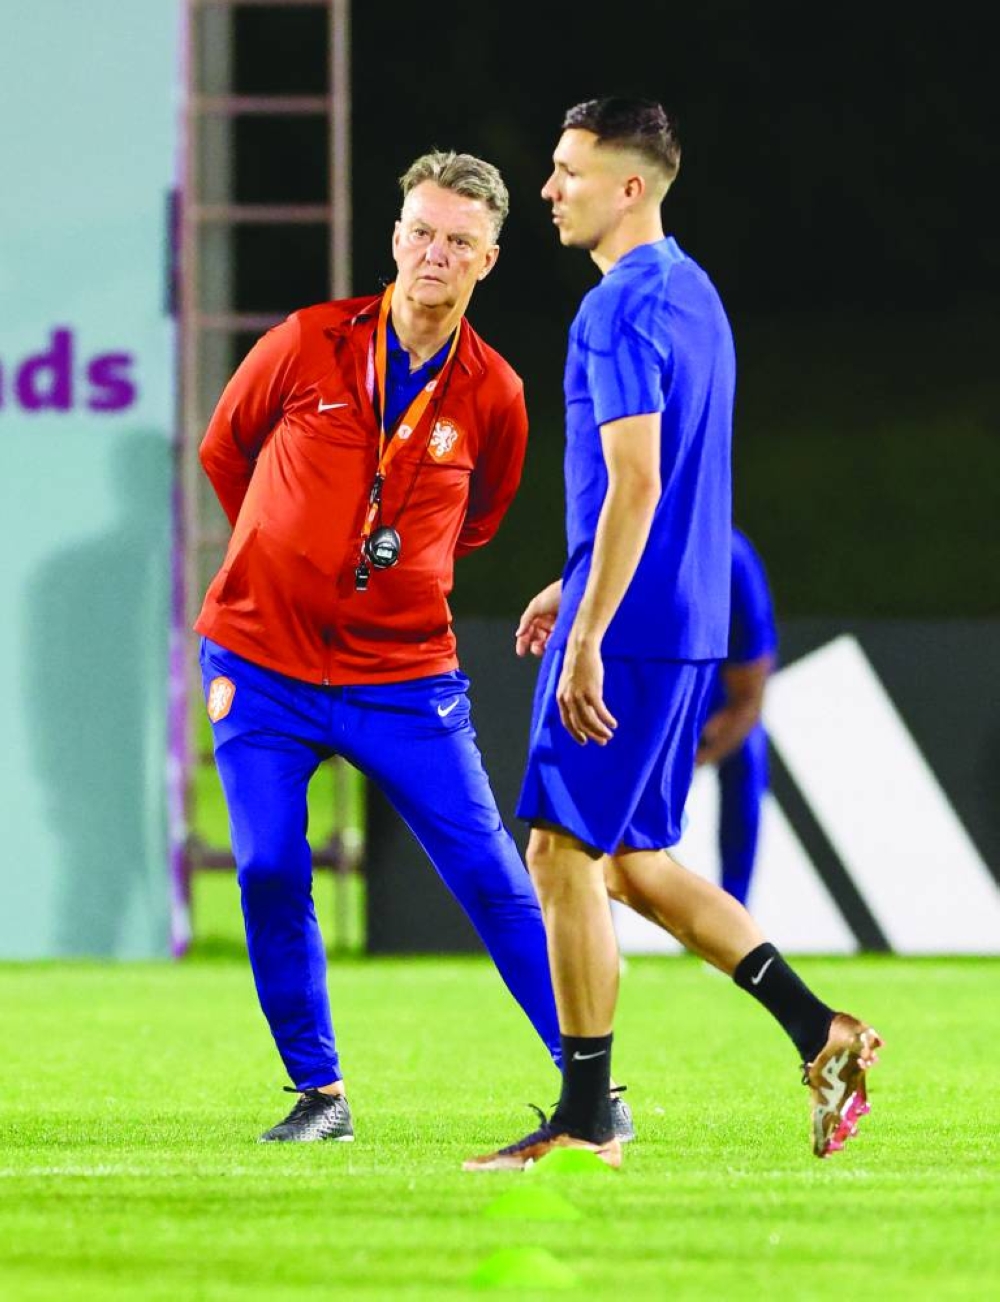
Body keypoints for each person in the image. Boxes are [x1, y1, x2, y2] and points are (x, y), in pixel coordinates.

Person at [464, 98, 882, 1172]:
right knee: (633, 866)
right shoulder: (692, 292)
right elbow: (663, 482)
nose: (548, 188)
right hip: (681, 618)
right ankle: (817, 1029)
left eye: (566, 171)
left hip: (636, 630)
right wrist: (575, 581)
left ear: (629, 186)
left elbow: (638, 479)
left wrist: (591, 625)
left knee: (559, 853)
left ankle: (587, 1110)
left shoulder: (613, 312)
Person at [195, 150, 631, 1144]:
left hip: (401, 676)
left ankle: (587, 1088)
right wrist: (282, 557)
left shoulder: (495, 394)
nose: (435, 254)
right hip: (261, 662)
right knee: (267, 867)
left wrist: (391, 572)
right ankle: (320, 1094)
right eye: (420, 233)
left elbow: (479, 519)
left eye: (458, 241)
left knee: (487, 872)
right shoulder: (307, 341)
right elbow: (227, 450)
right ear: (395, 238)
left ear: (489, 257)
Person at [696, 526, 777, 906]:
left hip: (710, 702)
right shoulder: (629, 538)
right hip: (640, 699)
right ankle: (597, 928)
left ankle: (735, 910)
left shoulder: (731, 559)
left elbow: (749, 696)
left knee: (747, 752)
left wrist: (703, 752)